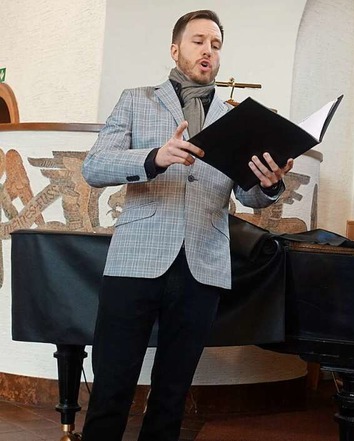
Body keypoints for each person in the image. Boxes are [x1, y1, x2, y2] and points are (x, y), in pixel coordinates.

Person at [81, 10, 293, 441]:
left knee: (173, 392)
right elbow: (94, 166)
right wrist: (153, 157)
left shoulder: (238, 119)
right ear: (176, 49)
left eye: (215, 45)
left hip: (203, 265)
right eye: (199, 41)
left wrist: (269, 184)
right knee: (112, 386)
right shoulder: (136, 99)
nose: (208, 51)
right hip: (136, 260)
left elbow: (248, 196)